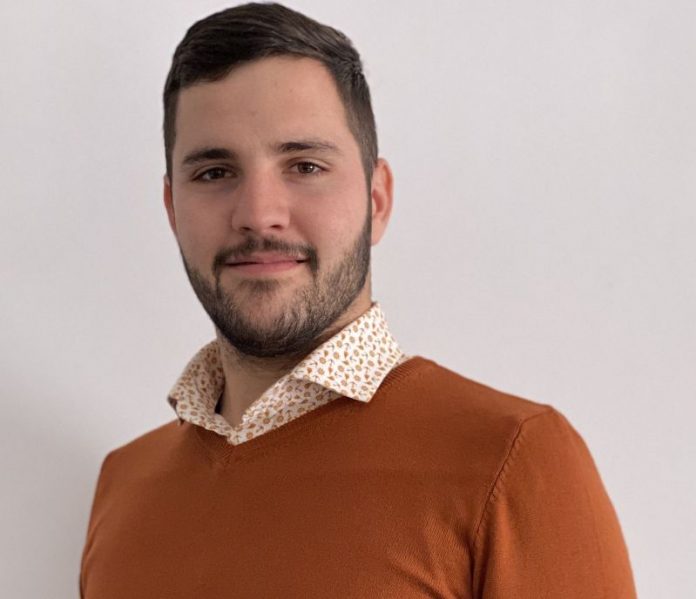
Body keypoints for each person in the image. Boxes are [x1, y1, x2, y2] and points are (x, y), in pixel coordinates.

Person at [79, 3, 636, 597]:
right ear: (172, 209)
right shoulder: (123, 484)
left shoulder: (515, 459)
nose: (258, 214)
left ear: (377, 200)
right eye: (215, 173)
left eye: (305, 165)